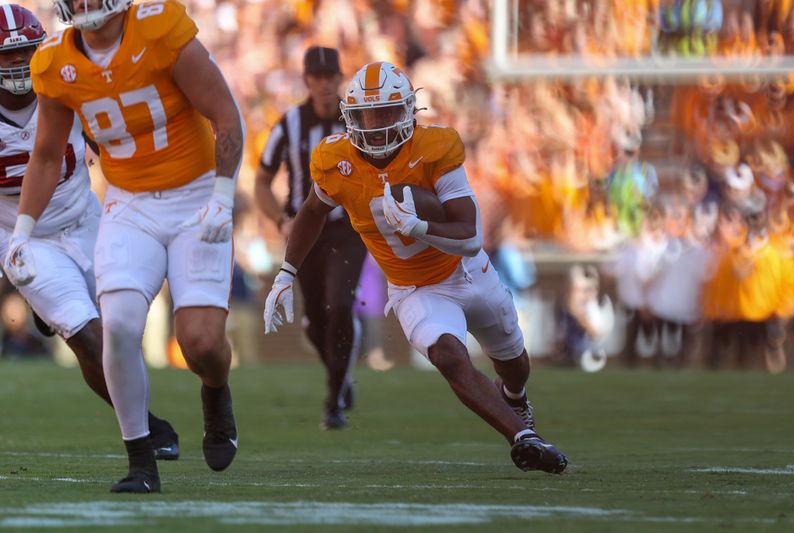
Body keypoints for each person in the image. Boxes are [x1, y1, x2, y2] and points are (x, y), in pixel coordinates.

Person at [264, 61, 568, 473]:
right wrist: (286, 272)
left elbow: (469, 235)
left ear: (408, 111)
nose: (376, 124)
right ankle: (522, 437)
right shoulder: (337, 160)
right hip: (414, 288)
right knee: (448, 355)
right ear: (351, 117)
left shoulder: (434, 148)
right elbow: (313, 210)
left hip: (467, 270)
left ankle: (515, 396)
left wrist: (422, 226)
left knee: (514, 362)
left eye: (387, 112)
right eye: (368, 114)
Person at [9, 0, 243, 493]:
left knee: (198, 342)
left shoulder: (159, 27)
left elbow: (224, 112)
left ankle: (216, 392)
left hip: (192, 194)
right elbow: (46, 156)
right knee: (113, 329)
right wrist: (22, 234)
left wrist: (224, 196)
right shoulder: (55, 61)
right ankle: (142, 460)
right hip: (128, 202)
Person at [0, 2, 178, 460]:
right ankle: (148, 430)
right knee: (86, 333)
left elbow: (112, 141)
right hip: (21, 236)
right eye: (8, 55)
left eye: (26, 53)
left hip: (87, 219)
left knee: (122, 330)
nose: (19, 64)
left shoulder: (66, 81)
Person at [255, 46, 366, 430]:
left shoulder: (357, 122)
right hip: (305, 228)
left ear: (339, 78)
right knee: (315, 320)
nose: (323, 84)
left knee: (339, 305)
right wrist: (280, 220)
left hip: (347, 227)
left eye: (330, 77)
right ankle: (341, 374)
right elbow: (262, 183)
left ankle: (334, 399)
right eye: (316, 77)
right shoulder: (288, 124)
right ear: (307, 81)